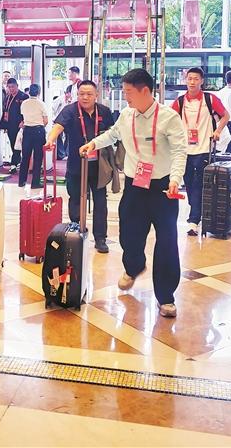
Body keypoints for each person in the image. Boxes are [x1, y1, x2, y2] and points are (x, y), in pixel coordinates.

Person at [80, 69, 187, 318]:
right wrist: (94, 143)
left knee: (167, 241)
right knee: (129, 233)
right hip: (135, 185)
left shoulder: (169, 118)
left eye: (129, 92)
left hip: (162, 188)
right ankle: (134, 267)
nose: (125, 96)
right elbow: (113, 134)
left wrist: (175, 179)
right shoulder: (126, 115)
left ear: (145, 91)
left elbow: (180, 151)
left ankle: (166, 297)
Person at [46, 80, 115, 253]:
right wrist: (50, 139)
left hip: (99, 166)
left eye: (89, 94)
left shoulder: (104, 111)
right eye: (81, 94)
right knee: (75, 199)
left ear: (96, 95)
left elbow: (113, 132)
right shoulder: (70, 110)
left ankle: (100, 238)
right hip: (76, 165)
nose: (85, 97)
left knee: (100, 202)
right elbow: (58, 126)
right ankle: (76, 234)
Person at [171, 67, 229, 236]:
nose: (192, 82)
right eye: (189, 78)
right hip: (184, 150)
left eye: (196, 79)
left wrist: (217, 131)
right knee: (189, 183)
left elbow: (225, 115)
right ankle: (196, 210)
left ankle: (193, 220)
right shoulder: (180, 101)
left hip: (204, 148)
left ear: (202, 81)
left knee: (198, 183)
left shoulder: (210, 99)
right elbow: (170, 120)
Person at [18, 84, 49, 190]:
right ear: (39, 92)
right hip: (38, 131)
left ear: (29, 92)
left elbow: (23, 118)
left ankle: (21, 181)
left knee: (25, 157)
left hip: (27, 131)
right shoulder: (41, 104)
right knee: (38, 157)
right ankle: (35, 183)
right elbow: (46, 121)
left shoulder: (24, 103)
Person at [0, 77, 28, 173]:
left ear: (17, 86)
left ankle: (14, 164)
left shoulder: (23, 96)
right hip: (10, 124)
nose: (11, 89)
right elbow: (5, 111)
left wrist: (23, 121)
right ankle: (17, 162)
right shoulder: (8, 97)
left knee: (18, 144)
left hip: (19, 125)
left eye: (13, 87)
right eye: (9, 87)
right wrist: (4, 124)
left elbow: (26, 111)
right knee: (12, 143)